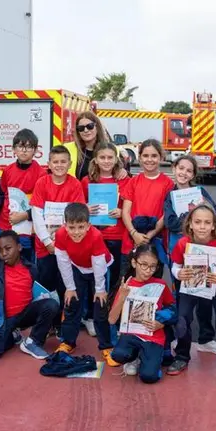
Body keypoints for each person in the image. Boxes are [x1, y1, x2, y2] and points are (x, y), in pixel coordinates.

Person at [168, 204, 216, 374]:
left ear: (214, 225)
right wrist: (179, 273)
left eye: (207, 223)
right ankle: (181, 356)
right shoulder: (182, 243)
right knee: (183, 318)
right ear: (190, 224)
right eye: (198, 222)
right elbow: (175, 266)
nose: (202, 226)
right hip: (191, 284)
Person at [163, 154, 216, 355]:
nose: (184, 173)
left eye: (189, 170)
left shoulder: (200, 192)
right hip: (179, 251)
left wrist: (205, 208)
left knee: (204, 295)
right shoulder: (170, 195)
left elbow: (215, 216)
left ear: (193, 174)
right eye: (181, 168)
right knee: (181, 296)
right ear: (174, 168)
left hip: (202, 250)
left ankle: (206, 337)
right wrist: (195, 219)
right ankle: (181, 338)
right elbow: (170, 223)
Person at [53, 203, 117, 366]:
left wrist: (100, 290)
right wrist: (70, 288)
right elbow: (63, 261)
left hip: (100, 268)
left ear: (88, 225)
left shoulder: (95, 236)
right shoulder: (60, 235)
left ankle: (106, 346)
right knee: (72, 303)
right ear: (64, 224)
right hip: (78, 268)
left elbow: (98, 264)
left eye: (81, 227)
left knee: (100, 306)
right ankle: (68, 342)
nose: (76, 232)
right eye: (72, 227)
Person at [0, 230, 59, 360]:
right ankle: (12, 336)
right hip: (5, 319)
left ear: (19, 247)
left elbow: (39, 291)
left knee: (51, 304)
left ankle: (33, 341)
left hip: (25, 315)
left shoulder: (31, 269)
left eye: (8, 248)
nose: (4, 253)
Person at [30, 145, 86, 325]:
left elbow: (77, 216)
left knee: (66, 285)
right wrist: (47, 241)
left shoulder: (75, 184)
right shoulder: (42, 183)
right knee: (46, 285)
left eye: (63, 162)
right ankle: (47, 323)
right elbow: (36, 213)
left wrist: (64, 243)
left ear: (69, 164)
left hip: (68, 246)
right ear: (49, 164)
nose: (59, 165)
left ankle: (63, 324)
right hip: (45, 247)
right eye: (56, 162)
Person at [107, 245, 177, 384]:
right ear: (134, 263)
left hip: (153, 335)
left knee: (149, 377)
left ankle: (150, 358)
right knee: (118, 355)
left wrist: (161, 323)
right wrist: (122, 297)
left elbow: (173, 308)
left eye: (152, 266)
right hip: (131, 333)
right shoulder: (126, 285)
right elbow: (111, 319)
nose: (148, 270)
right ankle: (134, 358)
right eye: (144, 265)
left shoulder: (161, 284)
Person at [81, 142, 129, 336]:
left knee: (116, 279)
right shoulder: (87, 181)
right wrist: (85, 207)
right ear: (96, 160)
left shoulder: (124, 180)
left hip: (117, 236)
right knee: (95, 278)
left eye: (110, 157)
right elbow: (78, 205)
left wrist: (122, 211)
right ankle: (93, 317)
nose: (106, 161)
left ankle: (112, 317)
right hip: (94, 236)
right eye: (102, 157)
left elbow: (131, 204)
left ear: (116, 159)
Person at [121, 139, 175, 279]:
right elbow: (126, 212)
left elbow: (165, 214)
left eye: (154, 156)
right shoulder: (133, 182)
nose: (149, 160)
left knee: (153, 285)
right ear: (139, 158)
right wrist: (134, 234)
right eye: (145, 156)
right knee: (129, 283)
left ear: (161, 157)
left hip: (155, 240)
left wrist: (149, 235)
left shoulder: (168, 184)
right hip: (132, 240)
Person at [0, 129, 48, 263]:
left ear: (35, 150)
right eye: (20, 146)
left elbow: (43, 206)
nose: (24, 150)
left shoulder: (41, 174)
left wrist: (24, 215)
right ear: (14, 149)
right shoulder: (8, 170)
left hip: (26, 228)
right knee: (3, 263)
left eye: (29, 147)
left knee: (24, 263)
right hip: (5, 224)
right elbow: (2, 194)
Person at [64, 111, 127, 181]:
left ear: (97, 127)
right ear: (78, 131)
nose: (86, 130)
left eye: (90, 126)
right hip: (75, 191)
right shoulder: (67, 149)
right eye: (81, 128)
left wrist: (122, 171)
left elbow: (120, 170)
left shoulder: (112, 149)